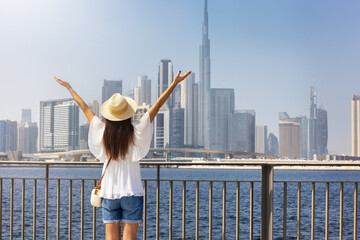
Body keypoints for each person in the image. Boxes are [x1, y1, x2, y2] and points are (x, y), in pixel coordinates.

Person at [54, 70, 191, 240]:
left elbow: (84, 107)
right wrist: (174, 83)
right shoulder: (136, 130)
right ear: (128, 113)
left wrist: (69, 87)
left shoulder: (102, 130)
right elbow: (157, 105)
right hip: (132, 192)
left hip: (109, 193)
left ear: (109, 114)